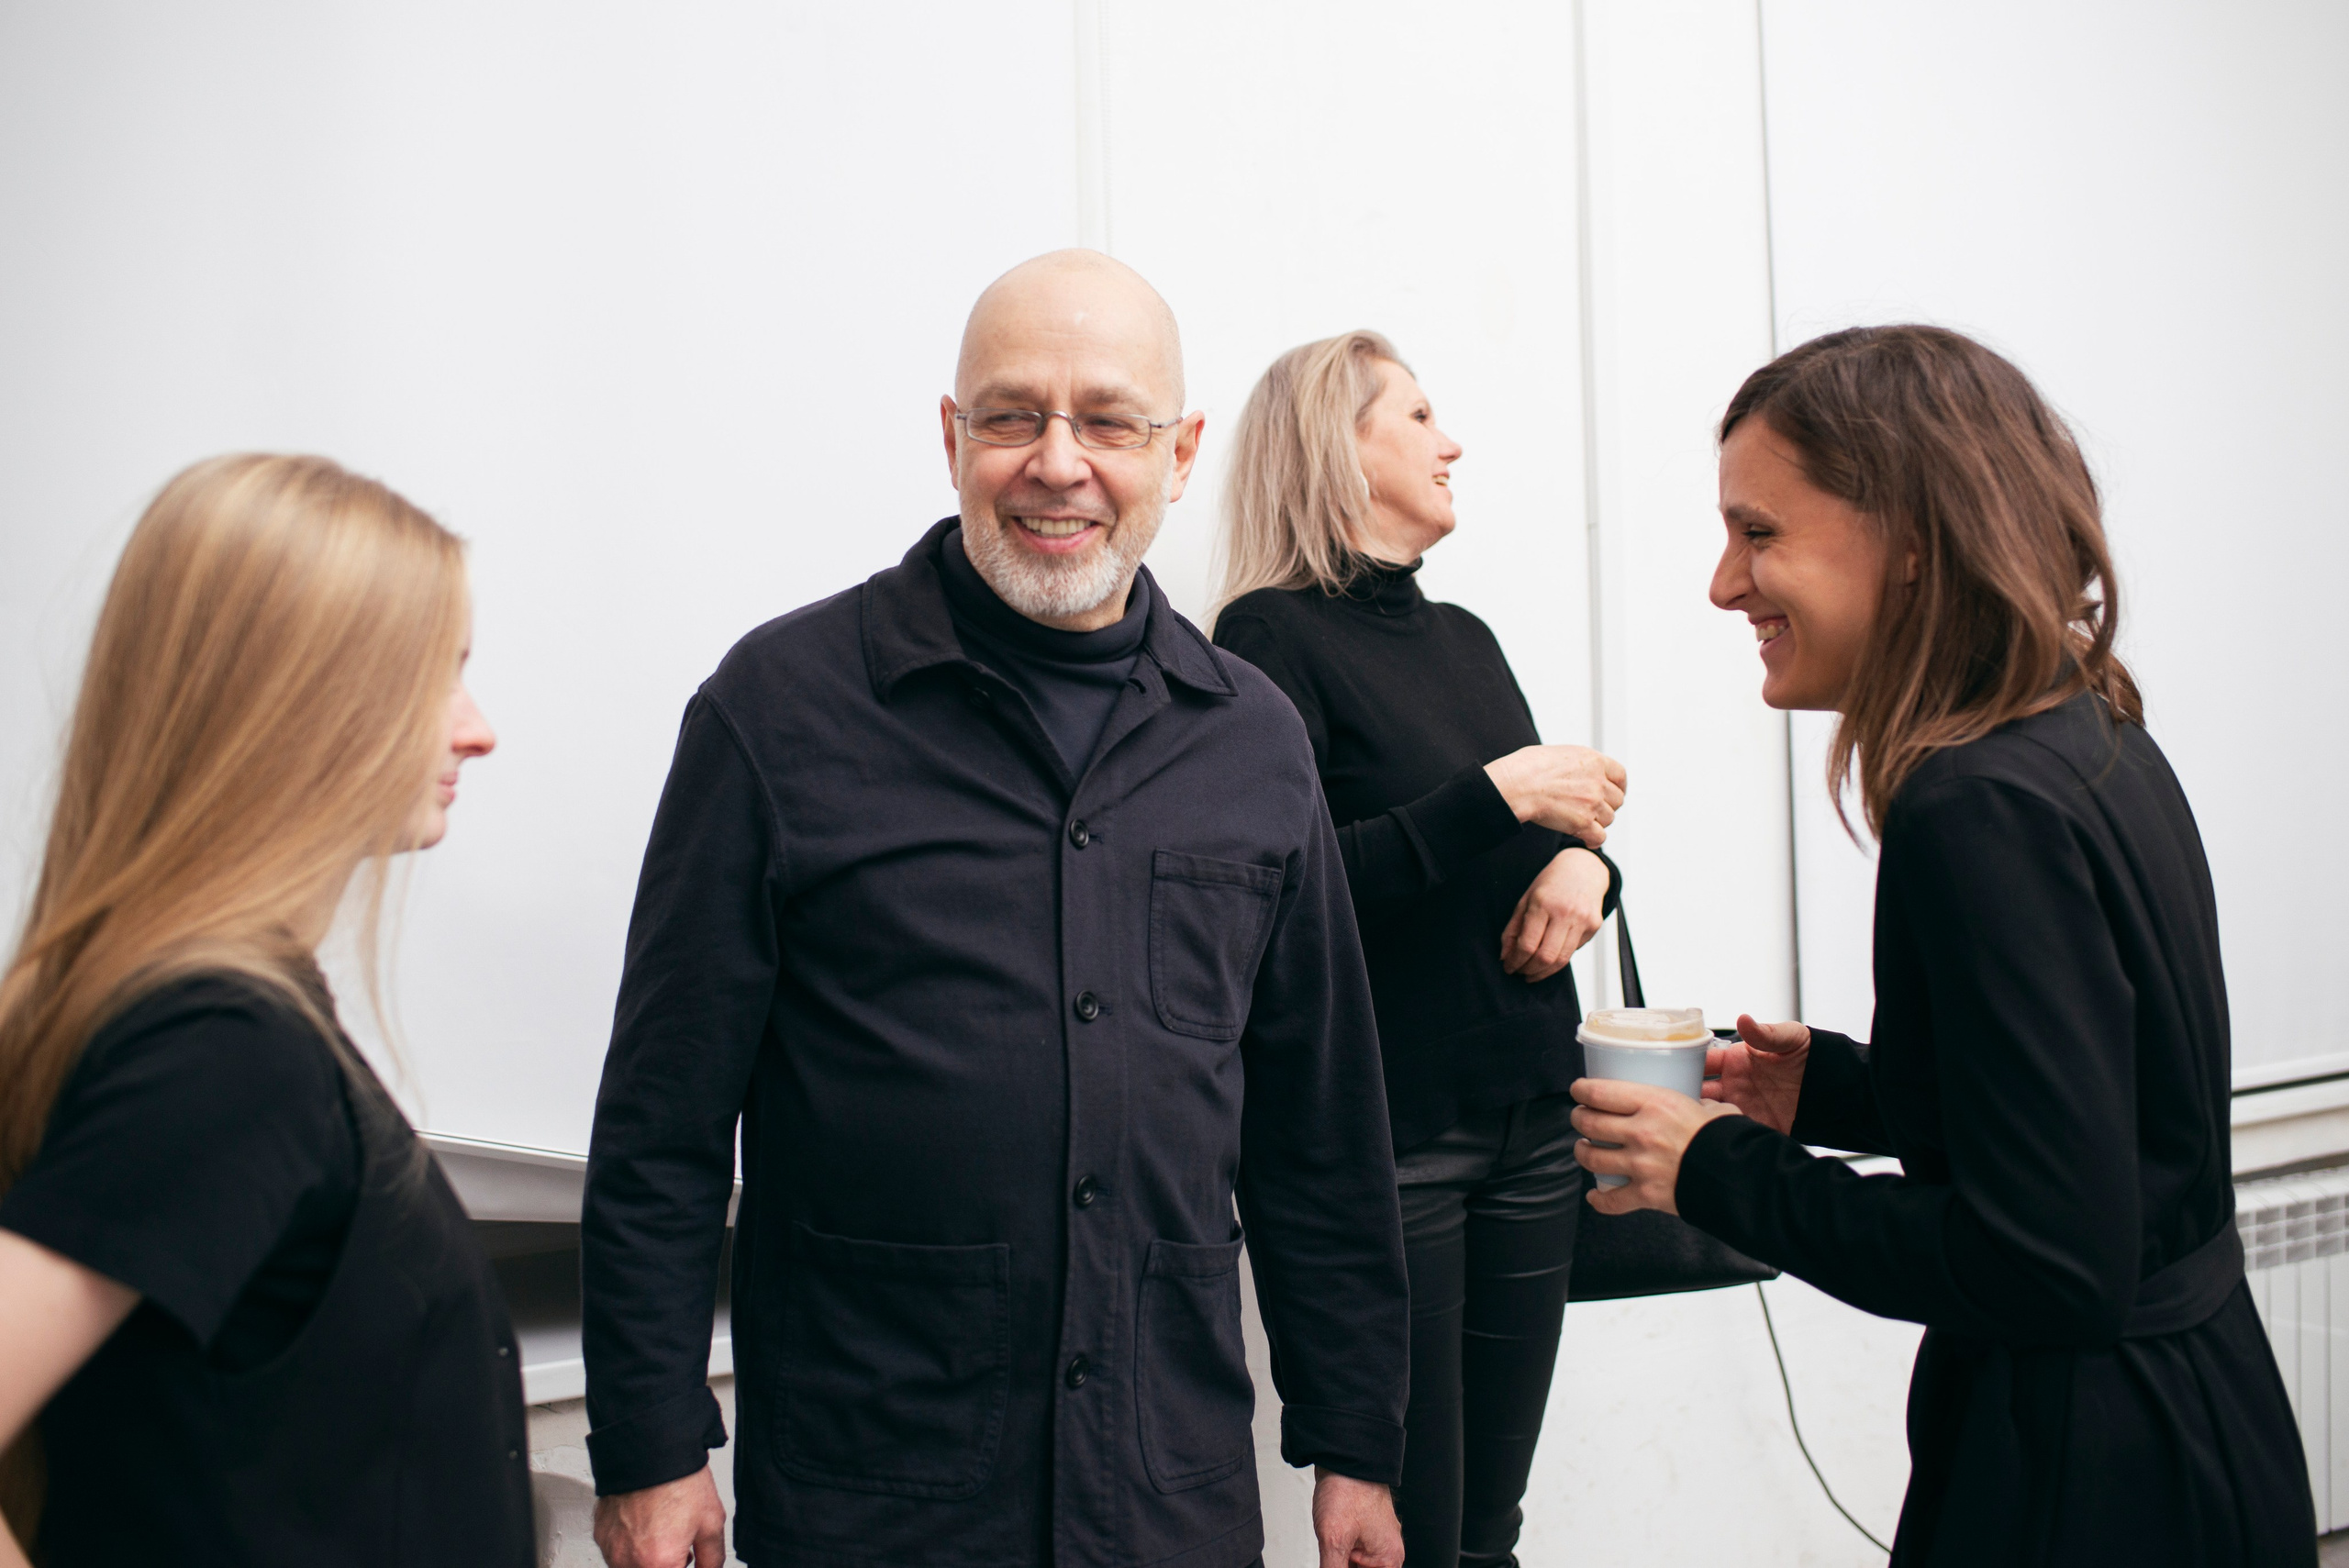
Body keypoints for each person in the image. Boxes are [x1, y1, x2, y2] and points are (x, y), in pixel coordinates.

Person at [581, 251, 1409, 1568]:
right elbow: (662, 1128)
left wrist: (1360, 1435)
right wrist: (648, 1441)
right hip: (876, 1497)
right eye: (1014, 415)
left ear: (1181, 452)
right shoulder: (777, 711)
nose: (1059, 462)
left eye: (1112, 422)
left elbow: (1320, 1131)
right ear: (953, 437)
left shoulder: (1255, 742)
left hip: (1165, 1501)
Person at [1570, 325, 2314, 1565]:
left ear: (1910, 541)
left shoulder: (1975, 809)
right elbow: (2106, 1121)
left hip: (2084, 1475)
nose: (1723, 583)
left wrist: (1713, 1171)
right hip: (2205, 1419)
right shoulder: (2088, 730)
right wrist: (1844, 1090)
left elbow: (2042, 1263)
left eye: (1759, 532)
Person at [0, 455, 520, 1566]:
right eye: (440, 674)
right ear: (301, 701)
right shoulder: (225, 1052)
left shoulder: (233, 1021)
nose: (477, 730)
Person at [1210, 331, 1626, 1568]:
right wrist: (1496, 800)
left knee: (1489, 1529)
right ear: (1340, 449)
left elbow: (1551, 832)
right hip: (1398, 1150)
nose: (1452, 443)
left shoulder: (1470, 641)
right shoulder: (1264, 640)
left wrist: (1587, 863)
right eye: (1420, 415)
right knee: (1417, 1535)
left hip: (1536, 1130)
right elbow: (1281, 893)